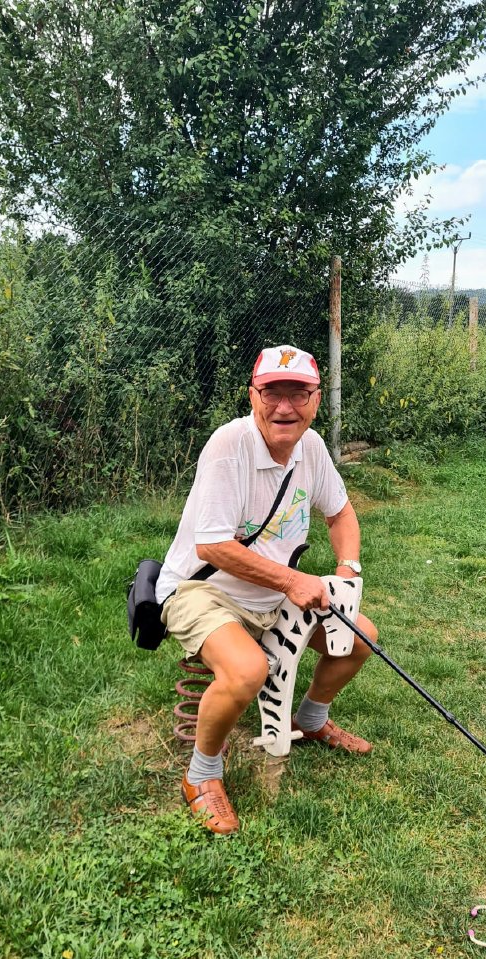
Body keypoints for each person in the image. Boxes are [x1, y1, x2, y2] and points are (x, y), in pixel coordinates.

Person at [155, 344, 378, 835]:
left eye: (298, 394)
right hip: (201, 589)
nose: (285, 407)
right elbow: (212, 546)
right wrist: (293, 580)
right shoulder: (228, 445)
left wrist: (348, 568)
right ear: (253, 395)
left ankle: (311, 720)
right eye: (272, 393)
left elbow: (341, 513)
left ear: (315, 400)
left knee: (360, 637)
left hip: (273, 594)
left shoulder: (311, 448)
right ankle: (201, 774)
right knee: (248, 669)